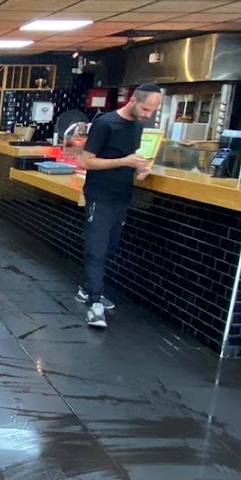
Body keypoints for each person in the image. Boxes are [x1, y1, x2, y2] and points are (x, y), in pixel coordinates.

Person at [77, 83, 163, 329]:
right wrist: (124, 161)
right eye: (145, 109)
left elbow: (131, 160)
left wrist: (140, 168)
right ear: (133, 100)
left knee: (110, 246)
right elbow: (87, 161)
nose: (147, 115)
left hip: (122, 196)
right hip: (100, 194)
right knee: (97, 247)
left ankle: (88, 289)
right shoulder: (105, 123)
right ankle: (95, 304)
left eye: (152, 111)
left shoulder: (138, 127)